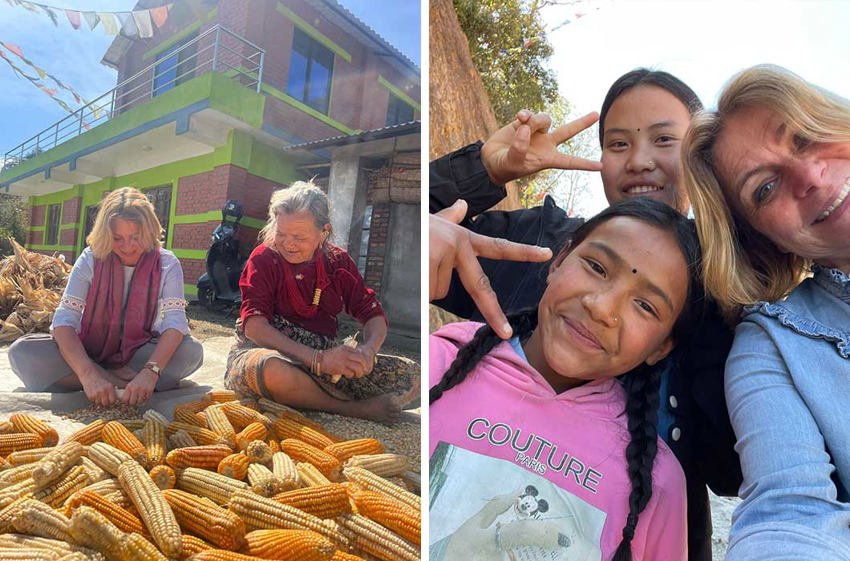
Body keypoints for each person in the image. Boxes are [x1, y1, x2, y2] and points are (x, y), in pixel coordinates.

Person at [430, 68, 741, 561]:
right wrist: (488, 170)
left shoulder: (725, 292)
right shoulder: (538, 244)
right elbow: (417, 231)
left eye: (664, 139)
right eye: (617, 144)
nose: (639, 161)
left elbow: (734, 472)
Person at [431, 199, 704, 561]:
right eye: (596, 267)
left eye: (646, 306)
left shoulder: (660, 483)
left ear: (661, 347)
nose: (602, 308)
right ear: (558, 262)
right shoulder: (441, 364)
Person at [682, 64, 850, 560]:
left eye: (804, 136)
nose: (809, 176)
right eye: (765, 188)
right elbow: (788, 513)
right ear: (763, 239)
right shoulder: (774, 347)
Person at [224, 181, 417, 425]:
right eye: (281, 233)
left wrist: (368, 350)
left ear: (323, 232)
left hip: (326, 359)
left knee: (413, 376)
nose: (288, 244)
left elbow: (372, 314)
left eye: (299, 236)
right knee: (270, 371)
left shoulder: (338, 262)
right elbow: (254, 327)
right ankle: (351, 408)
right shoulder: (264, 258)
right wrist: (316, 359)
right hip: (268, 351)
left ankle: (308, 392)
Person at [8, 187, 203, 407]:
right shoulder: (90, 258)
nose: (128, 247)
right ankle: (114, 382)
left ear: (149, 232)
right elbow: (65, 321)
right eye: (117, 238)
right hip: (89, 351)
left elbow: (175, 323)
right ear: (105, 234)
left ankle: (106, 382)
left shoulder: (167, 264)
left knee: (191, 351)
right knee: (21, 353)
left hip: (138, 354)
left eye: (136, 237)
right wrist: (88, 372)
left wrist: (151, 370)